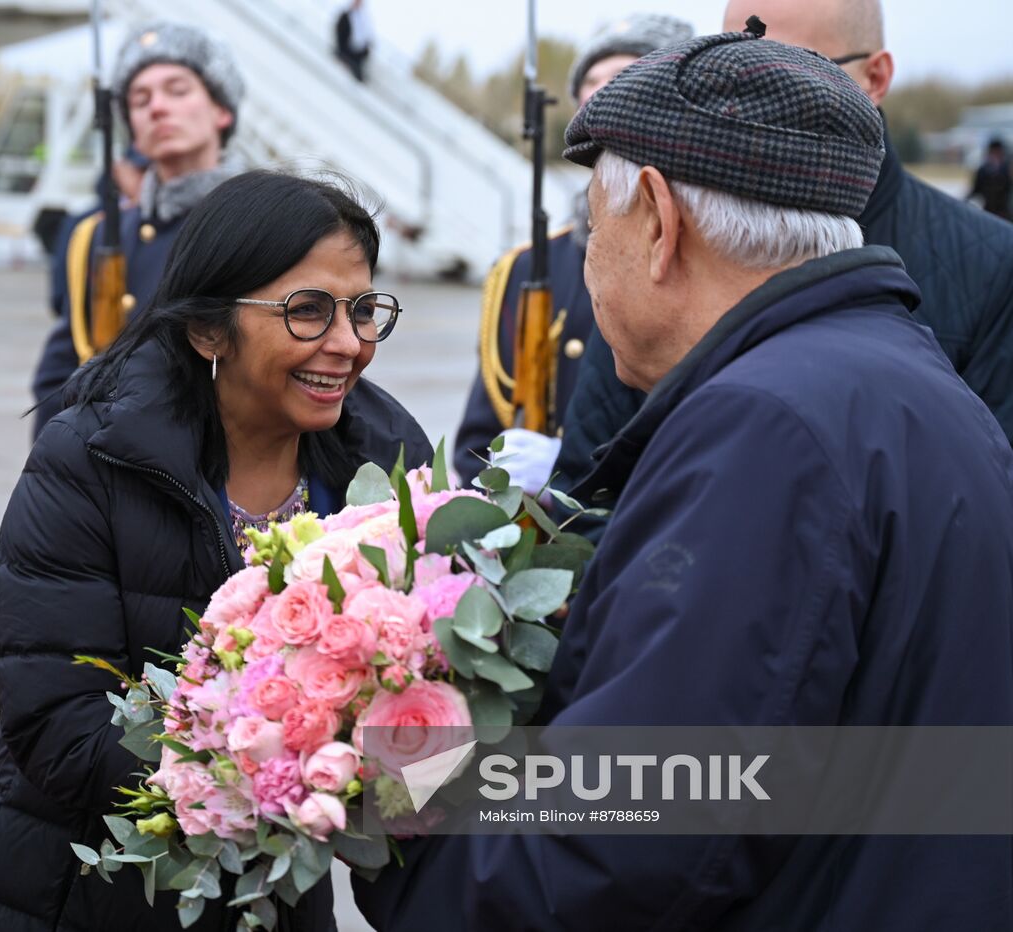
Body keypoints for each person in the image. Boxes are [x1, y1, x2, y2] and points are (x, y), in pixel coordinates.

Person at [354, 25, 1013, 931]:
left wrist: (393, 799)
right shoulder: (887, 376)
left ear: (660, 222)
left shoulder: (765, 430)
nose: (587, 263)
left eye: (595, 226)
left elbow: (635, 827)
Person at [0, 169, 429, 931]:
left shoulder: (387, 459)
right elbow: (57, 725)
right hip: (77, 889)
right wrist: (277, 779)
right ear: (207, 329)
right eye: (306, 311)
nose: (347, 344)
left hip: (275, 896)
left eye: (364, 311)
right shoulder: (93, 458)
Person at [551, 0, 1013, 501]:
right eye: (733, 57)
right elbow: (587, 491)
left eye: (794, 61)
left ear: (876, 76)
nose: (754, 84)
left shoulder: (989, 264)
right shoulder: (654, 249)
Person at [451, 13, 692, 486]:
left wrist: (571, 470)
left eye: (624, 76)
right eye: (593, 81)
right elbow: (478, 442)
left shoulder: (698, 255)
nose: (602, 92)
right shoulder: (525, 267)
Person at [30, 22, 246, 437]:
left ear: (222, 110)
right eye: (139, 98)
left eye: (177, 90)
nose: (157, 108)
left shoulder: (263, 223)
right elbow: (60, 371)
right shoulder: (94, 236)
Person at [969, 137, 1011, 220]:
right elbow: (976, 189)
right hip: (989, 211)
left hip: (1005, 212)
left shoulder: (1007, 169)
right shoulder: (983, 170)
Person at [334, 0, 373, 83]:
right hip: (345, 49)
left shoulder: (362, 20)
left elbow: (366, 38)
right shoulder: (345, 16)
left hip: (355, 51)